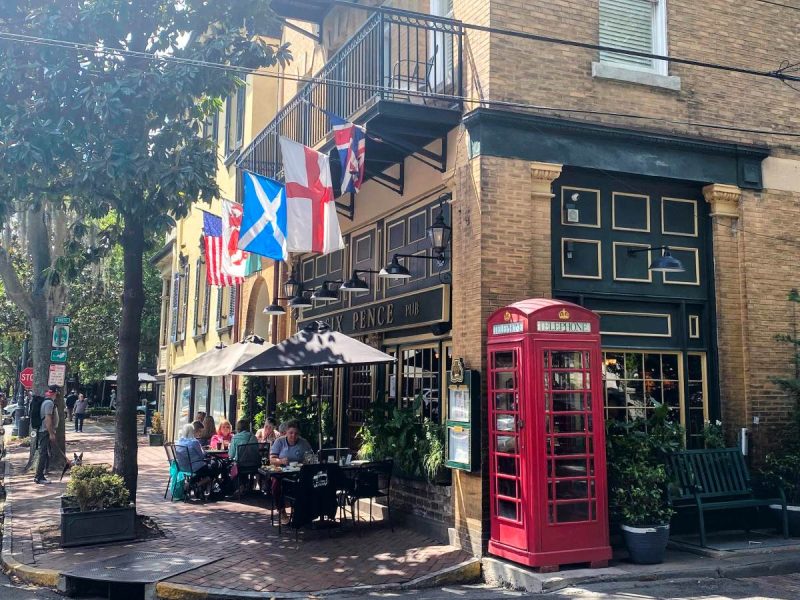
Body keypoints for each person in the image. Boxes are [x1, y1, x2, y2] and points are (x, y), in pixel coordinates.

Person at [270, 420, 314, 524]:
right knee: (276, 486)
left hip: (299, 472)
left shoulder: (303, 443)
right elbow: (272, 459)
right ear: (286, 432)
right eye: (291, 433)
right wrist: (280, 461)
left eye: (296, 433)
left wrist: (306, 461)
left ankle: (303, 512)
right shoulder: (279, 442)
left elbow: (311, 457)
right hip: (282, 472)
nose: (293, 436)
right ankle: (281, 510)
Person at [175, 423, 220, 491]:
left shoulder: (179, 442)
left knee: (208, 470)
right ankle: (196, 485)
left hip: (181, 467)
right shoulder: (194, 442)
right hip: (194, 467)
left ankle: (192, 484)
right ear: (193, 431)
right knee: (214, 468)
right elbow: (202, 456)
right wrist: (204, 451)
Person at [34, 388, 59, 484]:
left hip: (44, 431)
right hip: (45, 431)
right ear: (55, 393)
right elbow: (48, 420)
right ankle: (39, 476)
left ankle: (41, 474)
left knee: (45, 453)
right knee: (43, 453)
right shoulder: (49, 403)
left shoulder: (46, 402)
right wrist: (51, 433)